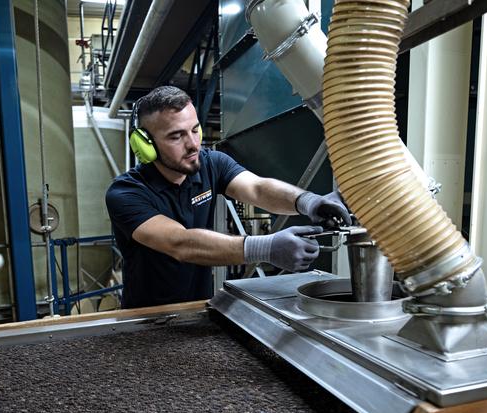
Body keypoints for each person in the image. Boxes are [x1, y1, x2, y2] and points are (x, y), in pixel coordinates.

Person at [105, 86, 350, 309]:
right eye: (176, 136)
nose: (193, 145)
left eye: (194, 130)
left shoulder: (211, 163)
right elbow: (179, 243)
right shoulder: (126, 193)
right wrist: (266, 247)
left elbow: (257, 188)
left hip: (198, 309)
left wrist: (308, 201)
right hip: (144, 318)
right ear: (145, 144)